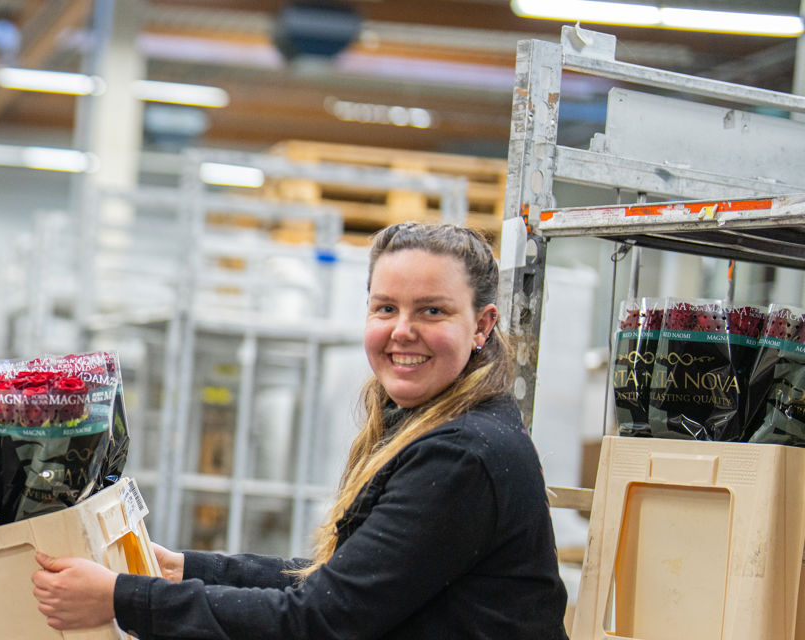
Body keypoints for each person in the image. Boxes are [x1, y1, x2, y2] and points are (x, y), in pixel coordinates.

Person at [30, 222, 569, 639]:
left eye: (432, 311)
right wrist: (187, 569)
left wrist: (126, 599)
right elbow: (341, 582)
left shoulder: (463, 455)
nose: (402, 331)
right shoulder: (439, 427)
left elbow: (321, 620)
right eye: (386, 308)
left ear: (482, 325)